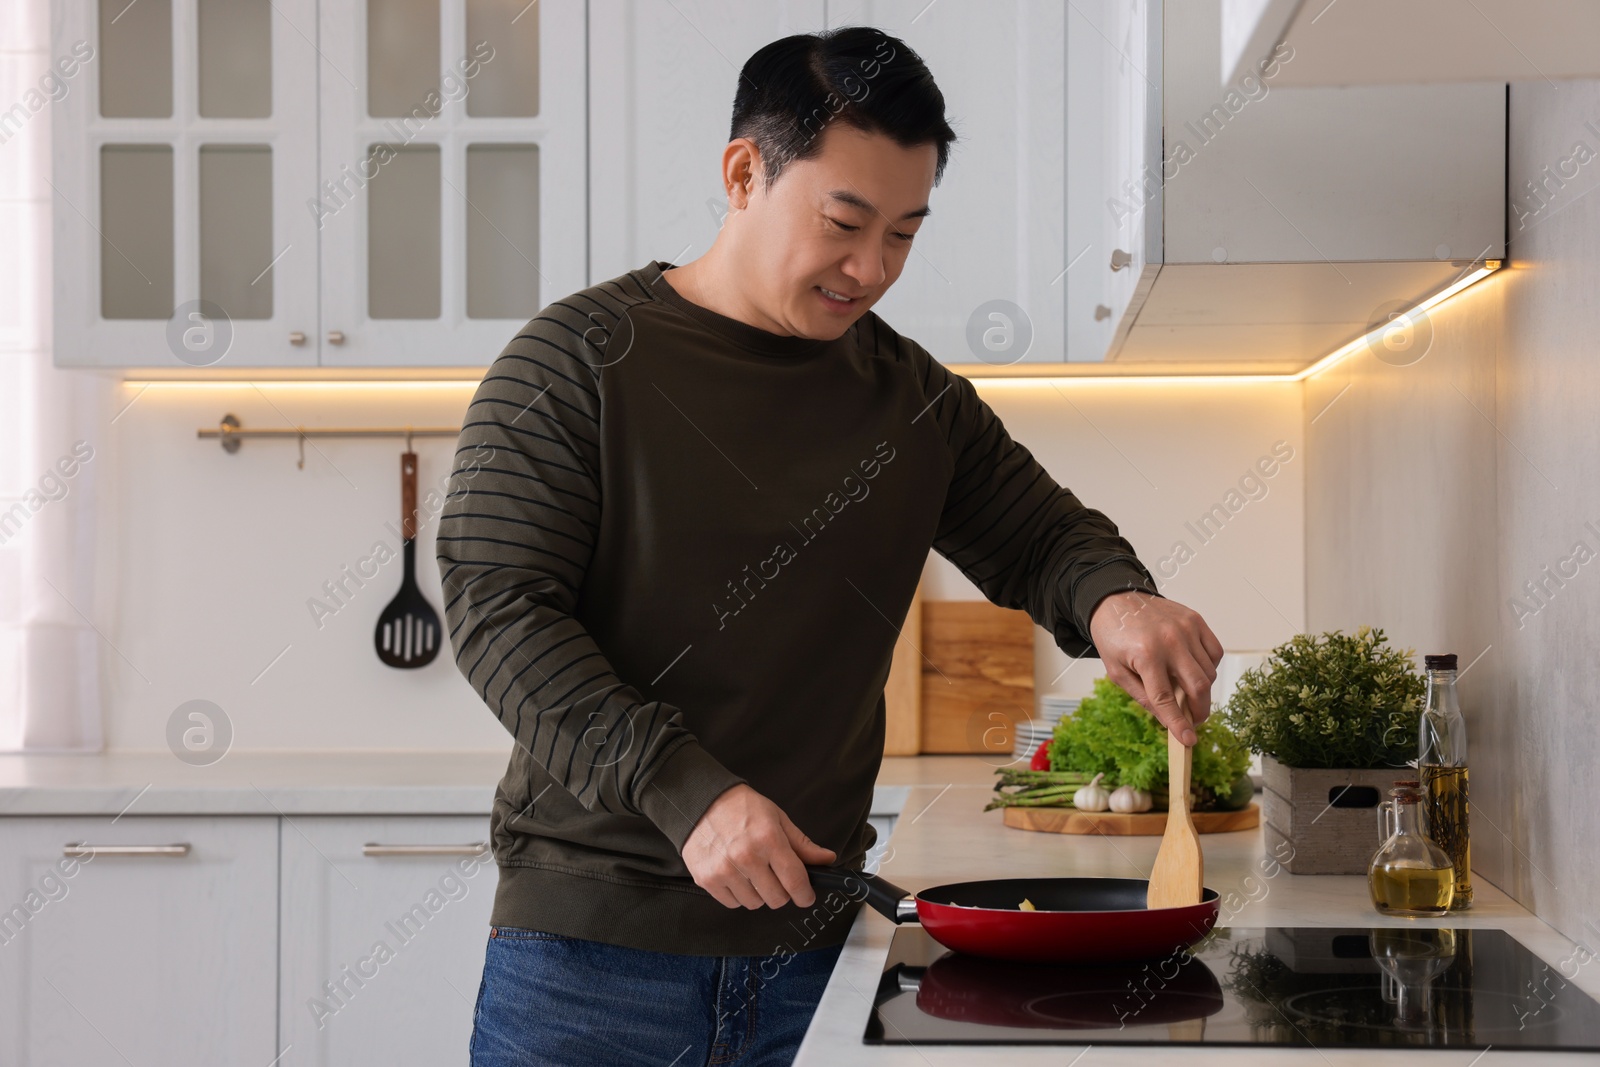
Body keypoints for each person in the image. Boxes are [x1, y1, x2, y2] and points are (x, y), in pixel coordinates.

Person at [439, 25, 1223, 1067]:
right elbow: (499, 609)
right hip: (591, 962)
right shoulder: (576, 363)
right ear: (742, 172)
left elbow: (1042, 535)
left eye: (903, 232)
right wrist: (690, 792)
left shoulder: (909, 401)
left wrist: (1116, 601)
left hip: (812, 961)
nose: (871, 268)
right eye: (844, 223)